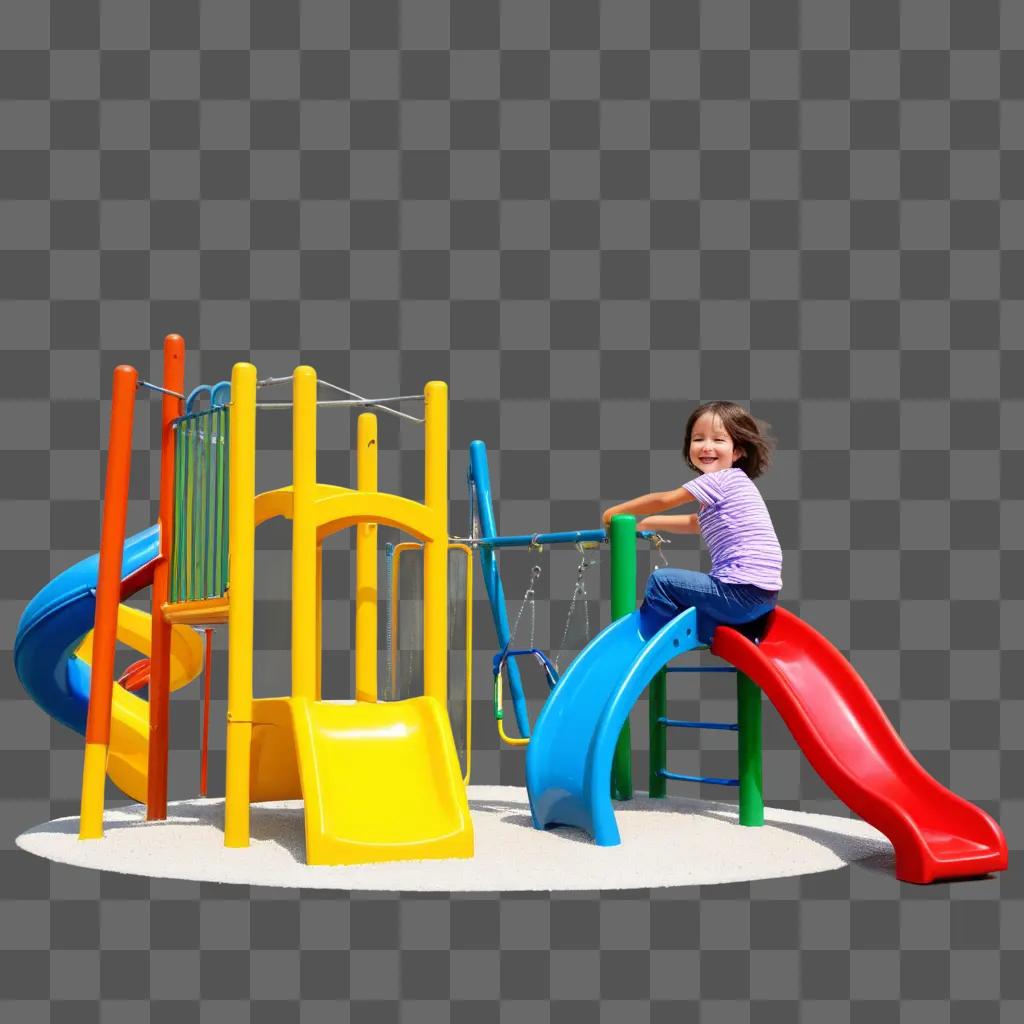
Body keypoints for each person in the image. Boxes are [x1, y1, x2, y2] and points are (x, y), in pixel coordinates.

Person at [601, 401, 782, 646]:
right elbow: (695, 523)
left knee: (661, 581)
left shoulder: (719, 480)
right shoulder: (736, 485)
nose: (707, 447)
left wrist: (614, 512)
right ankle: (708, 630)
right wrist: (651, 522)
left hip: (737, 593)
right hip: (763, 600)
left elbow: (665, 499)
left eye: (718, 440)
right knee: (689, 594)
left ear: (737, 451)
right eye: (698, 439)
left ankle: (643, 641)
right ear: (689, 447)